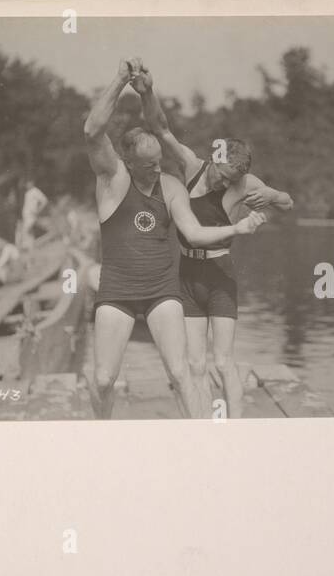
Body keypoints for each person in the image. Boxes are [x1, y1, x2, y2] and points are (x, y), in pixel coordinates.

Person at [84, 57, 267, 420]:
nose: (157, 168)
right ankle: (100, 432)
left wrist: (237, 229)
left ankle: (205, 444)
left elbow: (195, 233)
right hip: (117, 290)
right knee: (104, 379)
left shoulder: (170, 186)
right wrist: (121, 80)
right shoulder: (112, 179)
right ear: (128, 161)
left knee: (182, 373)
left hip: (161, 291)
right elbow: (92, 130)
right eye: (149, 164)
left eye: (159, 162)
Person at [139, 74, 294, 418]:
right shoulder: (192, 167)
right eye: (222, 176)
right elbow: (160, 127)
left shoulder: (245, 183)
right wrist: (148, 91)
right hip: (187, 274)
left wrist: (270, 195)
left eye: (231, 181)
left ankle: (234, 433)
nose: (225, 183)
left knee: (223, 363)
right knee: (195, 364)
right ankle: (204, 431)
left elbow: (287, 202)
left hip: (220, 275)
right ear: (214, 159)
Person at [17, 181, 49, 250]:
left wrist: (38, 210)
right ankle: (31, 249)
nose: (27, 185)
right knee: (29, 234)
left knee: (25, 231)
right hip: (26, 216)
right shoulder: (27, 193)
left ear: (32, 183)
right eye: (27, 183)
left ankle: (26, 248)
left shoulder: (35, 191)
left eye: (29, 183)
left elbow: (44, 200)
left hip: (32, 215)